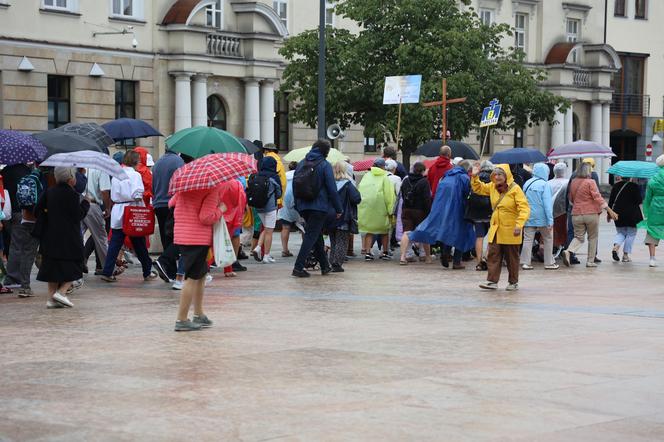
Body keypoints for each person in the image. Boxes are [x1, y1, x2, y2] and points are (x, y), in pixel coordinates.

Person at [169, 185, 224, 331]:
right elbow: (205, 217)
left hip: (183, 235)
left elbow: (171, 203)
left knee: (201, 275)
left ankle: (199, 314)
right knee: (192, 278)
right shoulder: (211, 190)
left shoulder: (184, 187)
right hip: (197, 238)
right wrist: (220, 210)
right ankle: (181, 319)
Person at [35, 167, 90, 309]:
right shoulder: (72, 194)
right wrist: (86, 203)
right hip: (68, 238)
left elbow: (37, 210)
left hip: (50, 236)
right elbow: (78, 215)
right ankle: (61, 292)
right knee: (75, 265)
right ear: (70, 178)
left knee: (51, 267)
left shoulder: (49, 191)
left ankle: (51, 299)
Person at [99, 151, 158, 282]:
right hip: (132, 210)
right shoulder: (135, 175)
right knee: (139, 243)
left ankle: (108, 271)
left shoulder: (116, 175)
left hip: (118, 209)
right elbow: (137, 194)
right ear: (135, 162)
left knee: (115, 243)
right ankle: (147, 271)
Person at [471, 163, 530, 291]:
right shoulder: (492, 187)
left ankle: (513, 282)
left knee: (512, 258)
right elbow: (478, 188)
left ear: (506, 175)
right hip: (496, 229)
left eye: (500, 174)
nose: (497, 177)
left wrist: (519, 225)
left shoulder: (515, 189)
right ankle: (492, 281)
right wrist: (475, 176)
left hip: (511, 229)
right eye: (495, 174)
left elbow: (524, 208)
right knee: (493, 255)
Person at [407, 160, 475, 269]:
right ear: (467, 169)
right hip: (460, 209)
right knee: (461, 233)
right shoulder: (464, 177)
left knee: (449, 231)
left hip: (444, 209)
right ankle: (457, 262)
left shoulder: (446, 176)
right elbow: (469, 193)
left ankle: (445, 253)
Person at [292, 139, 342, 277]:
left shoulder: (302, 163)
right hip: (319, 206)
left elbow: (295, 185)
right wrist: (338, 209)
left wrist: (298, 205)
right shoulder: (324, 165)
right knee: (311, 236)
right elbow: (332, 189)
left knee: (316, 234)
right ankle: (298, 267)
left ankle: (325, 266)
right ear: (326, 152)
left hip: (303, 205)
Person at [563, 162, 616, 268]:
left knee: (578, 237)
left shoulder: (573, 182)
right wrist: (609, 210)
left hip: (576, 213)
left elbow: (571, 198)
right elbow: (597, 197)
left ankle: (569, 251)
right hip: (591, 214)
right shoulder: (591, 182)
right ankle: (590, 261)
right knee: (592, 237)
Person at [4, 164, 45, 297]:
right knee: (28, 251)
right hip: (30, 216)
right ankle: (22, 283)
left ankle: (13, 278)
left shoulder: (6, 171)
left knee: (16, 246)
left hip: (13, 213)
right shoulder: (32, 174)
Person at [152, 148, 185, 283]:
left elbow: (153, 185)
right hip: (171, 203)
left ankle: (169, 272)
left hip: (158, 203)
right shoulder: (178, 161)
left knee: (166, 238)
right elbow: (181, 182)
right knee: (178, 238)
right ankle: (164, 261)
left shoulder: (158, 162)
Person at [520, 163, 558, 270]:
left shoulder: (527, 183)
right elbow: (547, 204)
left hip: (528, 215)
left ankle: (526, 263)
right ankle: (549, 262)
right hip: (543, 217)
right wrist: (550, 220)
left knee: (528, 239)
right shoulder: (545, 184)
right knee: (548, 238)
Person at [358, 158, 396, 261]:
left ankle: (368, 252)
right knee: (384, 231)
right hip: (381, 208)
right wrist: (390, 209)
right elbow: (389, 194)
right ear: (383, 167)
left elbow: (360, 190)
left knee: (369, 230)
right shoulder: (385, 177)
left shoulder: (366, 176)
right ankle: (384, 252)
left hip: (367, 208)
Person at [329, 162, 361, 272]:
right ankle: (337, 264)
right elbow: (356, 198)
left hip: (330, 216)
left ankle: (331, 261)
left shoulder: (329, 184)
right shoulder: (347, 184)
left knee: (333, 241)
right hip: (344, 216)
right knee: (342, 241)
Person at [250, 157, 282, 264]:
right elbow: (279, 193)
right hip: (270, 208)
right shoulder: (274, 176)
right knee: (269, 231)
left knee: (266, 228)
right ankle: (266, 256)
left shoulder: (256, 175)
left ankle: (258, 248)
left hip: (258, 207)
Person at [398, 162, 433, 264]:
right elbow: (427, 199)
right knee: (424, 232)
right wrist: (428, 213)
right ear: (422, 171)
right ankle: (426, 257)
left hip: (407, 210)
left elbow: (403, 194)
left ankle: (403, 257)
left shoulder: (406, 180)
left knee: (406, 232)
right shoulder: (424, 182)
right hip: (420, 211)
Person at [464, 161, 494, 271]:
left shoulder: (475, 178)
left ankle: (478, 262)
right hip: (490, 210)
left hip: (476, 211)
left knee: (479, 237)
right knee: (492, 236)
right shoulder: (494, 179)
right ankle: (486, 257)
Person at [81, 168, 111, 275]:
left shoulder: (79, 165)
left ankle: (73, 264)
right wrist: (108, 207)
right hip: (92, 205)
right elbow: (104, 191)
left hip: (77, 203)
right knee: (101, 237)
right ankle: (109, 268)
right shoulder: (101, 169)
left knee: (76, 236)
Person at [608, 176, 642, 263]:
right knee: (631, 234)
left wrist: (609, 214)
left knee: (621, 232)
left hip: (618, 213)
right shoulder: (634, 186)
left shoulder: (615, 186)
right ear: (630, 177)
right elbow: (639, 200)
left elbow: (611, 201)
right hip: (632, 214)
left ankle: (616, 247)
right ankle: (625, 255)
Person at [218, 179, 247, 277]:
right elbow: (241, 199)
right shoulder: (237, 183)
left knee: (215, 242)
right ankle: (229, 268)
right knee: (229, 242)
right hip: (233, 216)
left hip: (218, 214)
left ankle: (207, 267)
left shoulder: (217, 183)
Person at [640, 154, 664, 267]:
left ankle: (652, 259)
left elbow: (647, 198)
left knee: (652, 232)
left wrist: (646, 213)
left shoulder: (653, 179)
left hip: (655, 209)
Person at [1, 163, 30, 256]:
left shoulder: (4, 171)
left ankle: (8, 257)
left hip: (5, 210)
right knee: (18, 240)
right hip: (20, 209)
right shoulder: (26, 171)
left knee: (7, 236)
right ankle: (15, 267)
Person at [278, 161, 301, 258]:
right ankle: (306, 249)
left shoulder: (284, 176)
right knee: (303, 228)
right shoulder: (300, 175)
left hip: (284, 203)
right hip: (298, 202)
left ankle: (285, 250)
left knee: (285, 227)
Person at [548, 162, 569, 255]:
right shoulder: (568, 182)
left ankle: (553, 246)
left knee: (552, 230)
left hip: (549, 211)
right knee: (563, 230)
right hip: (563, 211)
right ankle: (561, 247)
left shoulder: (548, 183)